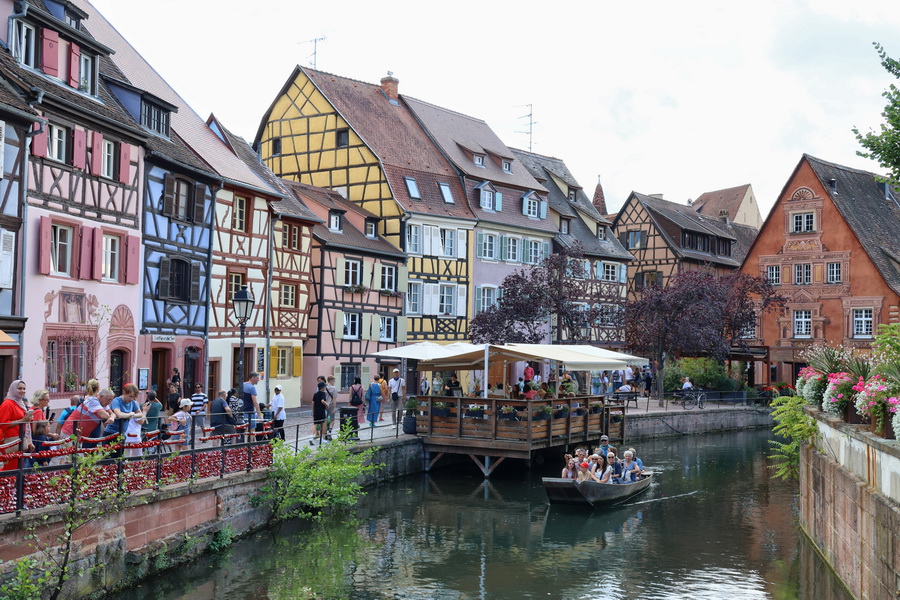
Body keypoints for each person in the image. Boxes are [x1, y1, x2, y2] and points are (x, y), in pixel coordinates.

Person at [0, 380, 33, 471]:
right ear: (13, 389)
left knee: (17, 468)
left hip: (19, 440)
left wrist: (29, 441)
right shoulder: (7, 404)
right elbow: (2, 424)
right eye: (19, 388)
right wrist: (22, 420)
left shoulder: (20, 403)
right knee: (10, 468)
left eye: (24, 389)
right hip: (10, 440)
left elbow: (25, 423)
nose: (22, 391)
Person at [103, 383, 143, 453]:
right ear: (124, 393)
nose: (132, 399)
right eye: (130, 396)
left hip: (122, 433)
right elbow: (119, 414)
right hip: (111, 433)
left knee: (119, 458)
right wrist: (130, 414)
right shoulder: (117, 401)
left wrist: (132, 415)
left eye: (134, 397)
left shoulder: (133, 403)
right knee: (108, 457)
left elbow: (140, 414)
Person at [243, 372, 261, 438]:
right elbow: (255, 402)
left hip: (243, 410)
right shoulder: (252, 388)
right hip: (250, 410)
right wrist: (259, 414)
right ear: (252, 378)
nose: (258, 380)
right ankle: (250, 445)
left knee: (245, 427)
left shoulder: (243, 385)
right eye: (257, 378)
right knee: (252, 428)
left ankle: (244, 444)